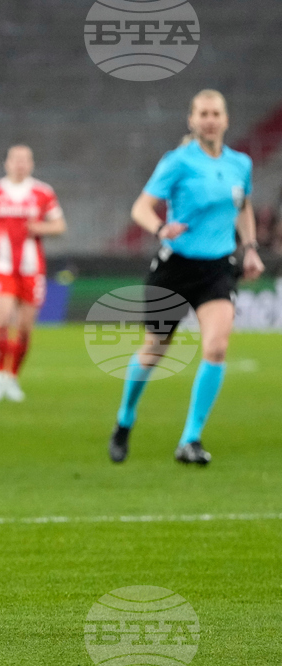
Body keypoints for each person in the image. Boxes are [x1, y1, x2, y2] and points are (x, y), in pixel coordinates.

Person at [109, 90, 264, 465]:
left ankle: (190, 439)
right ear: (191, 120)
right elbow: (140, 207)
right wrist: (161, 227)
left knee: (216, 348)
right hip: (175, 268)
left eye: (216, 113)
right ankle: (125, 419)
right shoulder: (177, 162)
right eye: (203, 114)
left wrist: (251, 246)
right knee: (154, 350)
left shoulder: (240, 164)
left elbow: (242, 206)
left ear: (226, 120)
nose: (210, 120)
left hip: (217, 270)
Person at [0, 145, 66, 402]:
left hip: (32, 269)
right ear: (7, 163)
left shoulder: (43, 192)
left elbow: (59, 225)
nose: (20, 164)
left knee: (24, 329)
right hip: (0, 265)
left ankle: (12, 377)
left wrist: (40, 227)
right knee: (2, 319)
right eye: (16, 159)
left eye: (25, 160)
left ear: (31, 164)